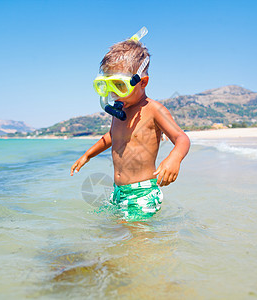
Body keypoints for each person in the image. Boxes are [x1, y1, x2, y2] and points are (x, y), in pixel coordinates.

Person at [70, 29, 190, 221]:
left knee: (138, 242)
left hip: (142, 193)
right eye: (107, 86)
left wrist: (174, 159)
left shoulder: (153, 110)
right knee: (115, 237)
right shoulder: (119, 111)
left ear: (142, 82)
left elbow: (181, 138)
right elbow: (111, 137)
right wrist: (88, 155)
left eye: (119, 85)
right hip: (118, 192)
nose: (114, 93)